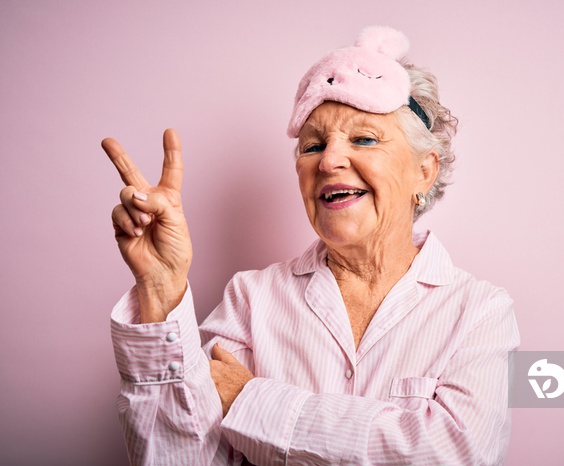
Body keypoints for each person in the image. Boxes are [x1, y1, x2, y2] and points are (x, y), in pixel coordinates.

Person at [104, 26, 520, 465]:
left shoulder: (480, 311)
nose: (328, 160)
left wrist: (251, 401)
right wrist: (159, 288)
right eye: (313, 146)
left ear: (424, 171)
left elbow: (455, 453)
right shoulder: (251, 298)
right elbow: (180, 457)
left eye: (363, 138)